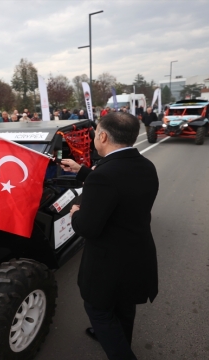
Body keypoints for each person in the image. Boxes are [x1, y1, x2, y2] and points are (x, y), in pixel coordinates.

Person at [60, 111, 159, 359]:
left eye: (95, 132)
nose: (93, 137)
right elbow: (120, 186)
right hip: (138, 254)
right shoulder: (145, 165)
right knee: (125, 308)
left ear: (103, 136)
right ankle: (118, 338)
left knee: (100, 311)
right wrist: (82, 170)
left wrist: (74, 213)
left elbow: (88, 228)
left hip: (109, 263)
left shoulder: (105, 176)